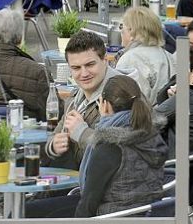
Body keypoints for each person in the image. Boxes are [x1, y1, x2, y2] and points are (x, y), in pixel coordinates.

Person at [27, 75, 168, 218]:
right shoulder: (153, 134)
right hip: (148, 213)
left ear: (104, 104)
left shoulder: (109, 144)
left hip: (109, 215)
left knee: (28, 211)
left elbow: (89, 203)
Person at [46, 32, 123, 169]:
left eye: (90, 65)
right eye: (76, 68)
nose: (84, 73)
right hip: (81, 181)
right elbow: (53, 137)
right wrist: (54, 145)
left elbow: (119, 153)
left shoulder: (122, 95)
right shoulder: (76, 97)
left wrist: (81, 132)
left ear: (105, 60)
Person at [114, 7, 175, 105]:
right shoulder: (168, 55)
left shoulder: (129, 59)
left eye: (122, 27)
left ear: (131, 31)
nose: (121, 32)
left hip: (144, 118)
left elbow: (123, 103)